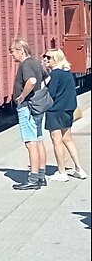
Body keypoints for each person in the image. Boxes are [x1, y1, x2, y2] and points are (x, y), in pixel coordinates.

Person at [10, 39, 49, 190]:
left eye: (12, 51)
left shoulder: (25, 64)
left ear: (21, 50)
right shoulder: (36, 63)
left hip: (27, 107)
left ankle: (33, 179)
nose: (11, 55)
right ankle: (41, 175)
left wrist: (22, 96)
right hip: (37, 106)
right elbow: (47, 78)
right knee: (39, 140)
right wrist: (40, 94)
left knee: (30, 142)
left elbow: (31, 81)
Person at [41, 49, 86, 181]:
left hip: (55, 111)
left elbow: (51, 94)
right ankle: (79, 169)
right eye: (44, 57)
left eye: (48, 58)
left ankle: (62, 172)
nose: (45, 60)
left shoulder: (55, 74)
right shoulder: (67, 73)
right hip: (67, 110)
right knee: (68, 139)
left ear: (56, 59)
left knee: (57, 141)